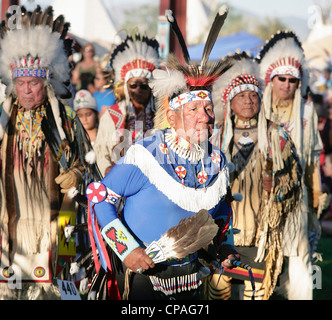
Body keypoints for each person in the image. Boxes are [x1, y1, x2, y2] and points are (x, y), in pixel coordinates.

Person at [86, 5, 240, 300]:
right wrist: (126, 250)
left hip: (194, 276)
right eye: (193, 110)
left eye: (208, 109)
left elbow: (221, 212)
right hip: (146, 278)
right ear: (172, 118)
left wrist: (225, 245)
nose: (204, 117)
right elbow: (100, 198)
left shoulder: (217, 161)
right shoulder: (145, 155)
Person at [0, 6, 96, 299]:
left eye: (33, 83)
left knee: (57, 285)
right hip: (9, 227)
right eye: (21, 83)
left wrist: (76, 175)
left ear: (47, 81)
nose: (27, 91)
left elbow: (90, 166)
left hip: (60, 224)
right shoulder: (3, 118)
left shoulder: (65, 119)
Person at [205, 52, 302, 300]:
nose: (249, 101)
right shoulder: (214, 136)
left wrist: (278, 186)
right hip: (221, 228)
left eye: (253, 95)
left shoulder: (276, 134)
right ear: (229, 101)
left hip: (261, 230)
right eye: (242, 96)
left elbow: (294, 175)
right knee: (218, 288)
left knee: (256, 290)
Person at [257, 30, 325, 300]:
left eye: (292, 80)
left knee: (298, 259)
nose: (286, 84)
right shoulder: (257, 110)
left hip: (296, 196)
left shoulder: (307, 111)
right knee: (260, 258)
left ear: (299, 82)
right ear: (270, 80)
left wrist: (316, 193)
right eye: (281, 79)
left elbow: (311, 160)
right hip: (261, 197)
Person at [93, 33, 160, 176]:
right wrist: (107, 170)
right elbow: (101, 151)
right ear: (125, 87)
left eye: (143, 86)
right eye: (133, 85)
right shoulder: (113, 115)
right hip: (120, 179)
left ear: (151, 86)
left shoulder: (162, 114)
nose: (138, 90)